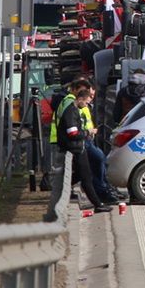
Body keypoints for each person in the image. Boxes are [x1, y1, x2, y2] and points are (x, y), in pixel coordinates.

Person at [45, 83, 113, 220]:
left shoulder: (75, 110)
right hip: (74, 147)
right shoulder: (71, 111)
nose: (87, 105)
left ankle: (98, 203)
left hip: (77, 147)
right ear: (81, 99)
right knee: (85, 176)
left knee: (83, 176)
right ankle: (98, 204)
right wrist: (88, 132)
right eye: (87, 102)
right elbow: (72, 132)